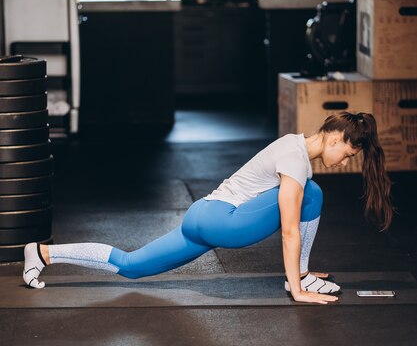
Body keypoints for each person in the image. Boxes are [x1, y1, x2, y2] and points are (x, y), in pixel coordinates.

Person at [23, 111, 393, 305]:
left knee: (131, 266)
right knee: (311, 193)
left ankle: (43, 253)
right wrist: (297, 287)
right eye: (347, 154)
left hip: (201, 216)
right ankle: (301, 277)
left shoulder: (291, 143)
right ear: (333, 137)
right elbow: (291, 228)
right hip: (222, 223)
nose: (345, 162)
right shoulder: (297, 162)